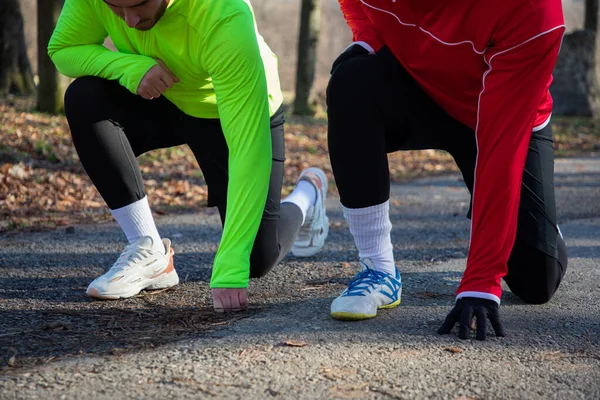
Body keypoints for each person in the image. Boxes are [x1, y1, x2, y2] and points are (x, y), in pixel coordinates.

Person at [48, 0, 330, 312]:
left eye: (139, 5)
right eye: (116, 9)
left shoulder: (223, 14)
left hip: (226, 111)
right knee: (84, 98)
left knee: (254, 259)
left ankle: (308, 193)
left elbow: (247, 149)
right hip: (162, 92)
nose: (129, 21)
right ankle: (148, 248)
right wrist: (128, 67)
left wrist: (230, 264)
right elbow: (63, 48)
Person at [326, 0, 568, 340]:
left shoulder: (532, 8)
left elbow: (501, 150)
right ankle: (379, 270)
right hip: (422, 86)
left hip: (499, 109)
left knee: (537, 282)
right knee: (352, 81)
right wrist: (368, 38)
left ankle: (528, 220)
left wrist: (481, 282)